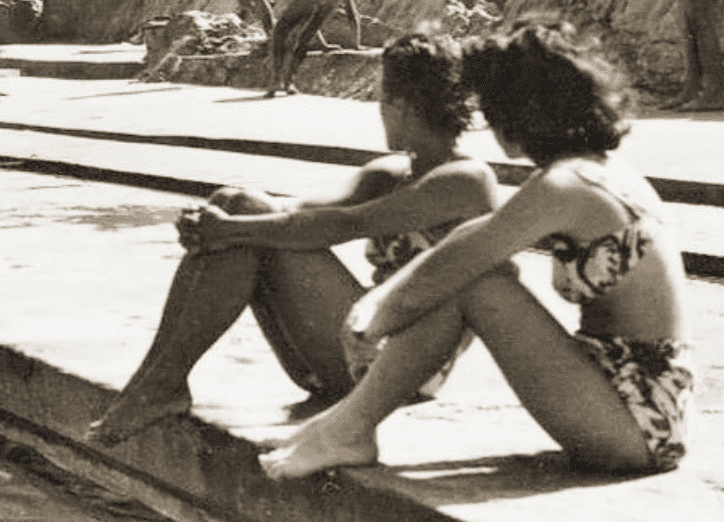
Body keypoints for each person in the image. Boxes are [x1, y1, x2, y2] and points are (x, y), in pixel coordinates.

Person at [264, 20, 696, 479]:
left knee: (475, 282)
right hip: (631, 398)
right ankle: (344, 425)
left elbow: (467, 256)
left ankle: (348, 429)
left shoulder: (565, 185)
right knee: (474, 276)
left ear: (521, 111)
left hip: (638, 421)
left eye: (492, 109)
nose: (488, 126)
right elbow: (473, 237)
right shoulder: (596, 171)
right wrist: (381, 302)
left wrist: (375, 318)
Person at [88, 32, 498, 446]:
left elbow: (343, 224)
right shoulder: (391, 173)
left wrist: (230, 227)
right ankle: (156, 380)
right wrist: (213, 218)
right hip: (350, 352)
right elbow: (295, 209)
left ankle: (160, 383)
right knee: (236, 201)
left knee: (242, 214)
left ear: (401, 104)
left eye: (382, 98)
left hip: (404, 371)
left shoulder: (466, 181)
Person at [266, 0, 361, 97]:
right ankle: (289, 82)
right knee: (305, 37)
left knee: (281, 30)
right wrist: (356, 44)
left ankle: (275, 80)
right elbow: (351, 12)